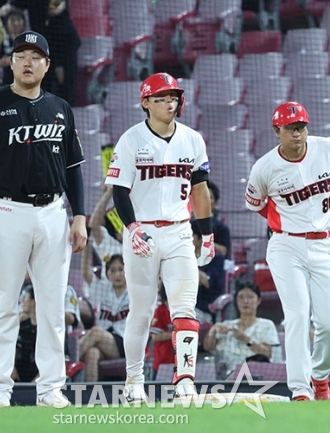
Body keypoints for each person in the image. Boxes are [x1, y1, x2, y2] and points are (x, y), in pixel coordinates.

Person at [0, 30, 87, 408]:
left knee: (51, 307)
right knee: (2, 304)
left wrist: (79, 215)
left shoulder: (61, 108)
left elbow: (74, 167)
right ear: (11, 62)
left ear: (47, 64)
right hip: (5, 212)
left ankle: (51, 389)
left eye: (36, 56)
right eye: (21, 55)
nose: (28, 62)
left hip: (53, 214)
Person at [104, 72, 215, 401]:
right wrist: (133, 228)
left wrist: (206, 234)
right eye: (162, 97)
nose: (171, 102)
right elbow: (119, 191)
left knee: (185, 310)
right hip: (144, 233)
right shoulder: (131, 139)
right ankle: (134, 380)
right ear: (145, 103)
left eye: (174, 97)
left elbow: (200, 189)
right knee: (141, 309)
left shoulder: (192, 139)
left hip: (180, 231)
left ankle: (184, 380)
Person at [245, 101, 330, 401]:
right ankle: (300, 390)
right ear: (277, 131)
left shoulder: (327, 148)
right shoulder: (264, 167)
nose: (297, 133)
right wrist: (281, 220)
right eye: (290, 129)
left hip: (325, 243)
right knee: (297, 315)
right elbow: (255, 204)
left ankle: (320, 377)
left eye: (301, 127)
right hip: (286, 245)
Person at [0, 0, 82, 105]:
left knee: (64, 87)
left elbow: (57, 8)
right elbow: (13, 5)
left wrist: (59, 64)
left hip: (63, 46)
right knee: (42, 87)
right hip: (43, 47)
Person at [203, 280, 282, 379]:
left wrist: (246, 339)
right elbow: (208, 347)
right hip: (229, 376)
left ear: (259, 300)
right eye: (241, 297)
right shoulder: (227, 326)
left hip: (258, 376)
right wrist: (213, 329)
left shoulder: (266, 325)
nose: (245, 301)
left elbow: (267, 354)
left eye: (250, 297)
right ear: (236, 301)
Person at [79, 254, 129, 382]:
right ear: (107, 274)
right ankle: (89, 398)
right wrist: (87, 247)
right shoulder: (103, 290)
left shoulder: (134, 292)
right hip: (106, 342)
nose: (117, 274)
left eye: (121, 269)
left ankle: (64, 365)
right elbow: (85, 272)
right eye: (112, 270)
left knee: (96, 332)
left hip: (125, 344)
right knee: (92, 354)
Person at [192, 219, 225, 324]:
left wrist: (187, 265)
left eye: (190, 236)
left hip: (202, 309)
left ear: (200, 238)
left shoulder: (216, 259)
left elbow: (208, 282)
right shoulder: (184, 257)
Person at [150, 284, 174, 379]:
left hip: (182, 364)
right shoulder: (159, 311)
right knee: (158, 394)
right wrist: (176, 334)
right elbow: (155, 337)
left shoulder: (185, 310)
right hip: (163, 364)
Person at [0, 10, 26, 85]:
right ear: (7, 24)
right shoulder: (5, 42)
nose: (15, 23)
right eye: (12, 20)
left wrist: (11, 60)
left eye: (18, 20)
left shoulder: (27, 41)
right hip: (8, 81)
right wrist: (3, 61)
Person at [208, 181, 231, 258]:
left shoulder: (221, 228)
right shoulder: (188, 225)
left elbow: (225, 252)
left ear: (216, 203)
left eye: (208, 197)